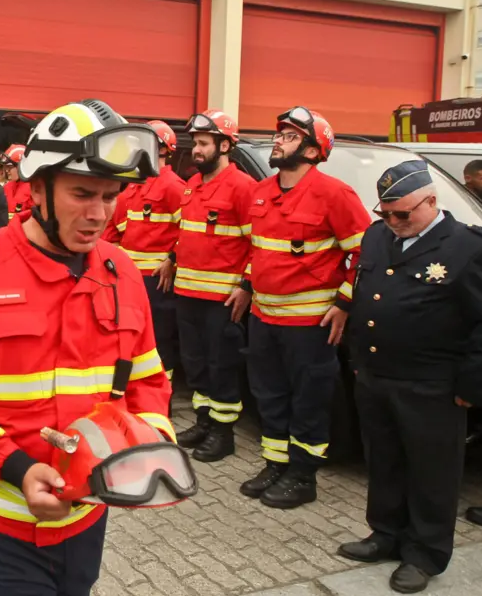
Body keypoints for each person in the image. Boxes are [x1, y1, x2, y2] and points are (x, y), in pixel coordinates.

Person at [0, 100, 173, 596]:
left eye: (110, 195)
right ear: (36, 189)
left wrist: (148, 447)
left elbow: (147, 379)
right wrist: (16, 469)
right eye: (82, 194)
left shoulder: (121, 270)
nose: (99, 213)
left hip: (85, 525)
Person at [337, 161, 482, 593]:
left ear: (432, 202)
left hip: (432, 384)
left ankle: (424, 553)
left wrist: (472, 387)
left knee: (431, 473)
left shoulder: (469, 248)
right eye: (385, 213)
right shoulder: (377, 236)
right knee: (384, 461)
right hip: (377, 375)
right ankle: (385, 533)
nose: (394, 223)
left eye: (402, 214)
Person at [241, 107, 369, 509]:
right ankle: (276, 463)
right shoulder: (262, 191)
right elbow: (257, 250)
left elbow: (364, 255)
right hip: (264, 318)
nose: (278, 140)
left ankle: (303, 474)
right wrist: (247, 285)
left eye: (291, 136)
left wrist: (345, 303)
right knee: (269, 394)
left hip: (309, 324)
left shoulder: (335, 194)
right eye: (280, 134)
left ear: (313, 151)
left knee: (309, 399)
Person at [155, 111, 255, 462]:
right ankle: (203, 420)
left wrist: (247, 284)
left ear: (225, 145)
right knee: (194, 363)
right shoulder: (192, 185)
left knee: (221, 365)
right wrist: (171, 256)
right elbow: (188, 234)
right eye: (194, 143)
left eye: (203, 143)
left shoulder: (243, 188)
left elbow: (260, 242)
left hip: (221, 299)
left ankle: (223, 433)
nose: (196, 150)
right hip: (187, 293)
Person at [105, 120, 185, 382]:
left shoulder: (173, 186)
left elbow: (187, 230)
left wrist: (171, 260)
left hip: (157, 279)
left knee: (159, 340)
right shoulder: (136, 186)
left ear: (161, 149)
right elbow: (122, 231)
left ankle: (164, 395)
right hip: (132, 277)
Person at [0, 144, 32, 220]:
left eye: (10, 167)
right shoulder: (7, 187)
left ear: (21, 166)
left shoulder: (34, 189)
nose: (7, 171)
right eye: (5, 167)